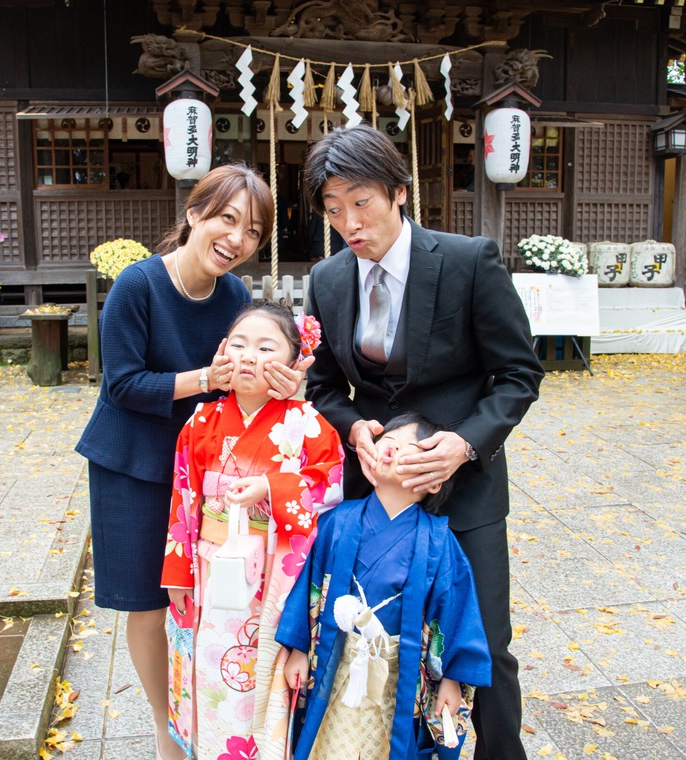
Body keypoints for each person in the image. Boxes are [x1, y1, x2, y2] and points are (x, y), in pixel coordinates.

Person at [302, 125, 544, 759]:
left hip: (465, 492)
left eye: (361, 203)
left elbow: (520, 373)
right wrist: (352, 427)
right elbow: (324, 387)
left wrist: (463, 444)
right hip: (378, 498)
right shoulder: (328, 280)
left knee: (484, 647)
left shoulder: (467, 261)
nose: (348, 223)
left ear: (399, 192)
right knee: (375, 640)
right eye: (333, 210)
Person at [75, 164, 305, 760]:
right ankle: (164, 726)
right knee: (148, 603)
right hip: (131, 462)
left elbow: (239, 385)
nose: (237, 239)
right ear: (195, 215)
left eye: (252, 231)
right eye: (227, 218)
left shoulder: (232, 296)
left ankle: (197, 707)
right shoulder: (138, 284)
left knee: (196, 596)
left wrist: (278, 384)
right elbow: (122, 384)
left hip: (202, 466)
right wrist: (205, 376)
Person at [162, 303, 345, 760]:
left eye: (267, 347)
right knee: (209, 671)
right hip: (209, 569)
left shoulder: (308, 425)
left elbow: (330, 489)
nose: (249, 356)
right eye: (240, 344)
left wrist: (271, 486)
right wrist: (178, 574)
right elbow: (184, 499)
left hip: (274, 579)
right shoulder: (200, 422)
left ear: (293, 360)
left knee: (265, 678)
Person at [277, 413, 492, 760]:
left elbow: (455, 612)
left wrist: (451, 679)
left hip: (397, 676)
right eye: (385, 444)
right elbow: (309, 588)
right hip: (337, 666)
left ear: (434, 479)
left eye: (407, 449)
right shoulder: (337, 522)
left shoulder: (438, 542)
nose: (390, 451)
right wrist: (299, 648)